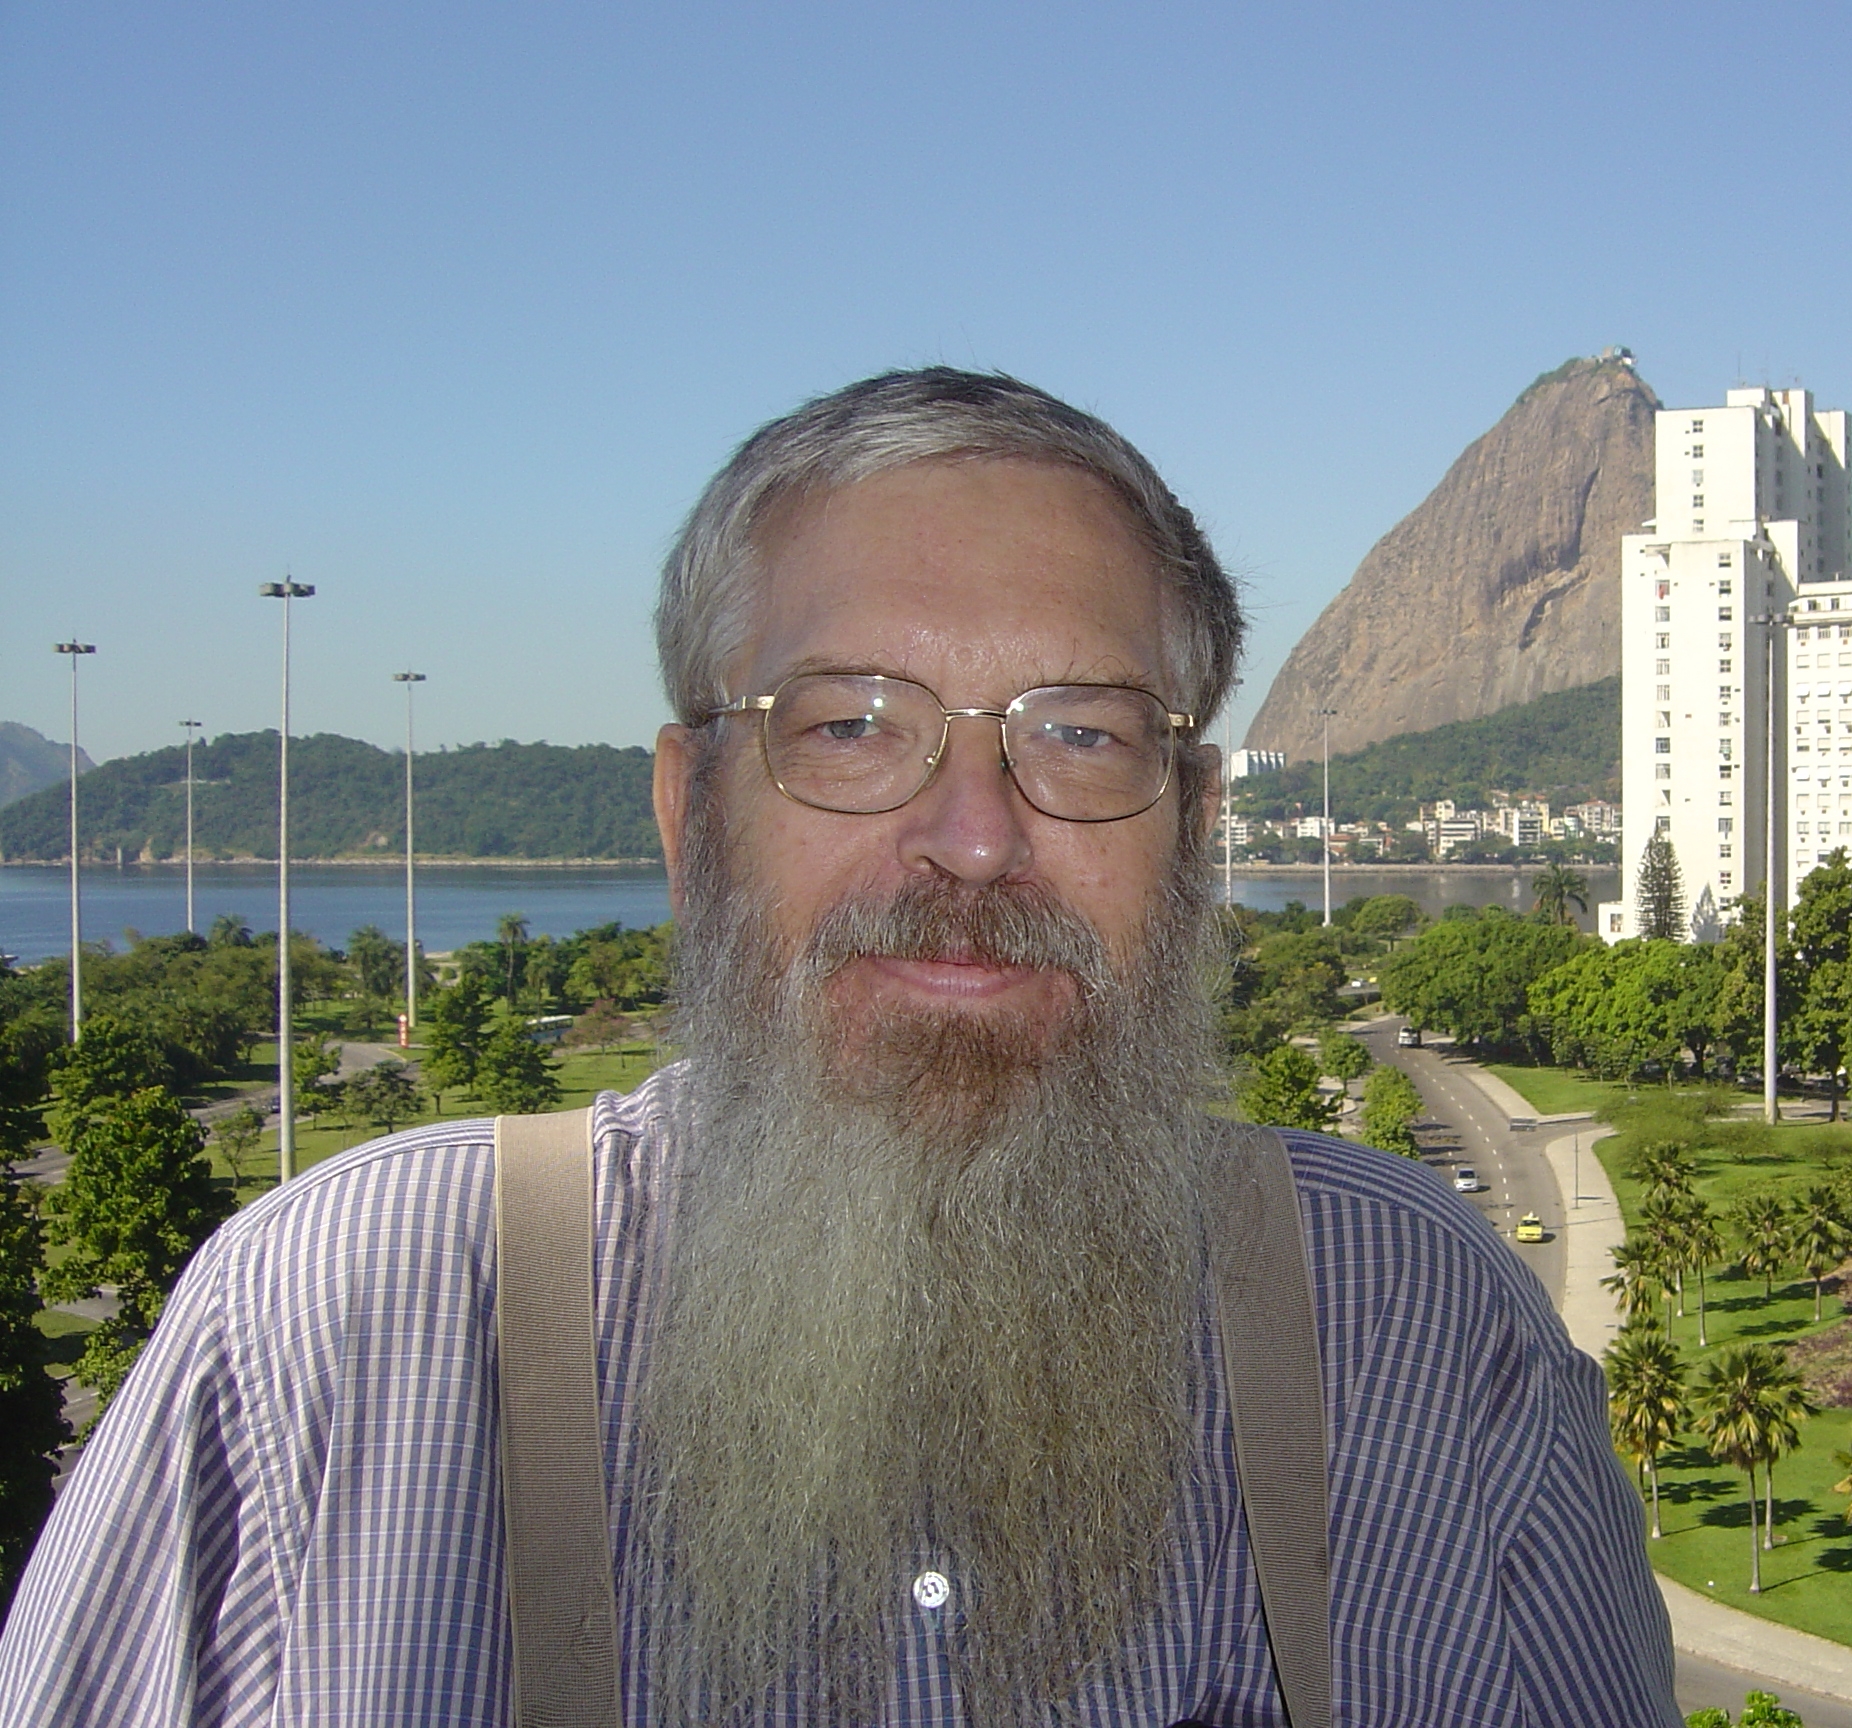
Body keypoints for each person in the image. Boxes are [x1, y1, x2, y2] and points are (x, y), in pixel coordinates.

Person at [0, 369, 1674, 1726]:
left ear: (1194, 823)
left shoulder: (1423, 1335)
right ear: (686, 810)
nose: (971, 837)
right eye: (851, 728)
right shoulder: (328, 1339)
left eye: (1081, 736)